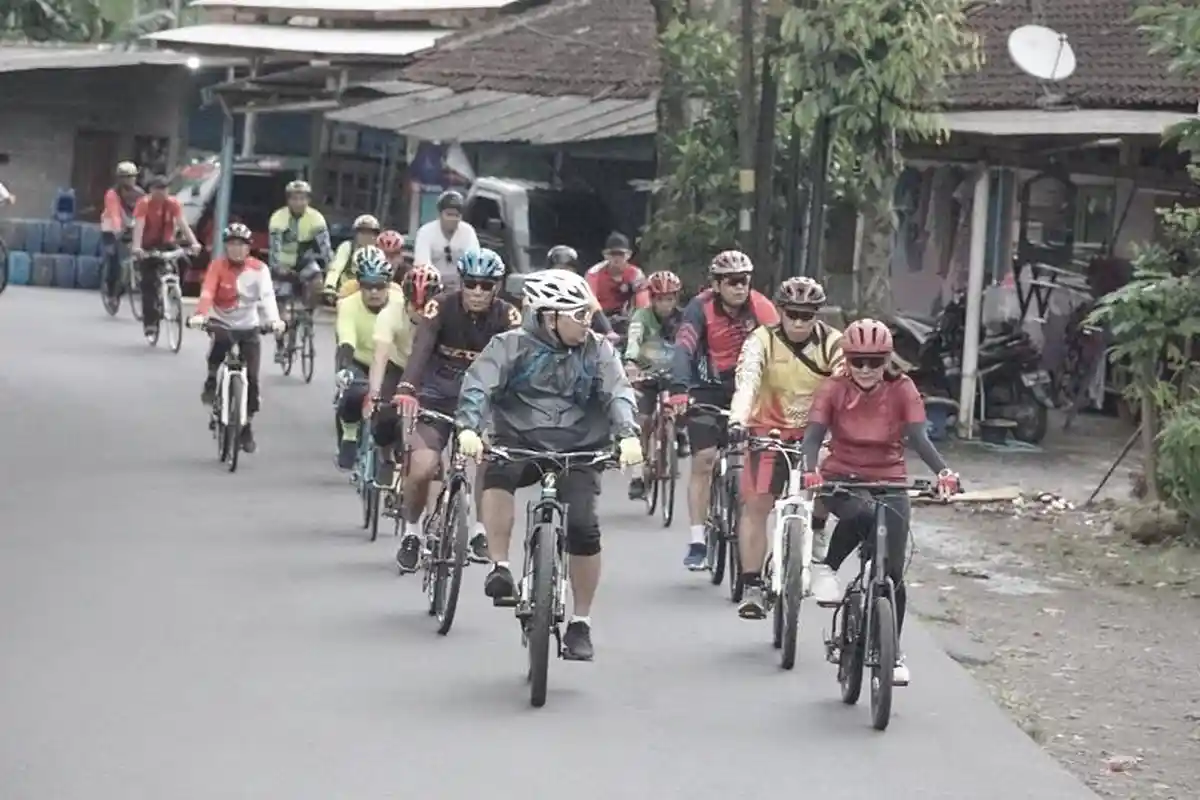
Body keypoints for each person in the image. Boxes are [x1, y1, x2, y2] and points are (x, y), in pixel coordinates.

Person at [456, 268, 643, 662]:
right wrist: (469, 428)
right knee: (496, 472)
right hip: (520, 442)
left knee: (583, 526)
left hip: (581, 448)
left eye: (587, 313)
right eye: (577, 314)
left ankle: (580, 623)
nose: (586, 321)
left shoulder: (598, 349)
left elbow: (618, 391)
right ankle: (500, 566)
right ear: (548, 316)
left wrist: (628, 434)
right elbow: (479, 384)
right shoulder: (508, 346)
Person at [800, 318, 960, 686]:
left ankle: (894, 649)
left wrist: (944, 472)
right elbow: (812, 439)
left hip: (890, 478)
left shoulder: (903, 388)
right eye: (858, 361)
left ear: (887, 359)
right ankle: (827, 566)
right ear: (847, 359)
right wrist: (811, 471)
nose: (867, 369)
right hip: (842, 476)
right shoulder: (833, 388)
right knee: (859, 511)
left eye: (875, 361)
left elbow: (919, 438)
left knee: (892, 575)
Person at [383, 248, 518, 571]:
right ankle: (412, 532)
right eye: (471, 283)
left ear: (497, 287)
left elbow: (517, 362)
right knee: (422, 468)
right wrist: (406, 388)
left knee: (488, 459)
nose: (477, 292)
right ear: (461, 282)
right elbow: (421, 348)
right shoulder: (439, 306)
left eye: (486, 285)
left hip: (483, 400)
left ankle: (479, 532)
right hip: (436, 395)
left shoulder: (508, 316)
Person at [726, 276, 842, 619]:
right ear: (780, 311)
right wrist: (737, 421)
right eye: (792, 313)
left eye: (807, 315)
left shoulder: (834, 344)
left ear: (817, 315)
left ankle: (818, 531)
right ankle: (751, 585)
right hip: (768, 430)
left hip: (816, 433)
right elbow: (747, 382)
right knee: (757, 503)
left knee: (829, 481)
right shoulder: (760, 340)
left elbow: (844, 385)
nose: (799, 321)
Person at [668, 249, 777, 570]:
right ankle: (698, 540)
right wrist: (678, 389)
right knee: (703, 460)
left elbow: (780, 348)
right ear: (716, 285)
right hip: (707, 389)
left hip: (749, 390)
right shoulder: (698, 308)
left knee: (754, 462)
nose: (740, 287)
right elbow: (684, 348)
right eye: (732, 282)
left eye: (744, 280)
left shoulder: (761, 307)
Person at [187, 223, 286, 454]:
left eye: (241, 245)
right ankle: (212, 379)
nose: (236, 249)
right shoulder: (217, 266)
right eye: (231, 244)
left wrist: (275, 321)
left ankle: (247, 425)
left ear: (249, 248)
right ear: (226, 247)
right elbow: (207, 293)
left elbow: (268, 297)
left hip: (249, 326)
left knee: (251, 378)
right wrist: (200, 315)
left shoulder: (259, 269)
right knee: (219, 344)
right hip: (222, 322)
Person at [368, 264, 442, 482]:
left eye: (425, 306)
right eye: (413, 306)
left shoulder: (443, 313)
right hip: (397, 365)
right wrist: (374, 394)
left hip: (428, 369)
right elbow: (380, 356)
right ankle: (385, 457)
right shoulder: (391, 312)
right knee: (385, 415)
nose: (419, 313)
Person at [333, 246, 403, 470]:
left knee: (395, 409)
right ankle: (350, 435)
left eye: (380, 286)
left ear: (389, 285)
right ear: (359, 285)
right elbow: (346, 339)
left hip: (391, 363)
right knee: (352, 390)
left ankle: (390, 451)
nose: (374, 292)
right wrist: (344, 368)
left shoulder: (399, 302)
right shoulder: (348, 304)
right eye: (368, 286)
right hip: (359, 359)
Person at [624, 269, 686, 501]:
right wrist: (631, 363)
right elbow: (634, 340)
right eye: (660, 299)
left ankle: (678, 433)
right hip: (645, 374)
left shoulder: (685, 319)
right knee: (643, 422)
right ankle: (638, 474)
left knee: (684, 403)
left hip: (674, 374)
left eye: (670, 299)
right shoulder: (641, 317)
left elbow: (693, 344)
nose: (665, 304)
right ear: (652, 298)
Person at [130, 175, 202, 342]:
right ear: (151, 190)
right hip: (147, 245)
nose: (162, 192)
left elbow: (182, 224)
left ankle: (173, 294)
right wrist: (137, 247)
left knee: (185, 260)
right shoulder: (144, 204)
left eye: (164, 189)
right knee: (148, 284)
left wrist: (194, 243)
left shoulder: (173, 203)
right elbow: (139, 226)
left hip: (166, 243)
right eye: (158, 189)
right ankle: (150, 324)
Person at [268, 179, 332, 358]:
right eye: (294, 199)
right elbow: (275, 248)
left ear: (308, 200)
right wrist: (277, 267)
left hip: (304, 261)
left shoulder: (316, 218)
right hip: (283, 264)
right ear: (288, 200)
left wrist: (332, 268)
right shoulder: (278, 218)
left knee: (317, 280)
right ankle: (280, 344)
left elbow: (325, 248)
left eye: (302, 198)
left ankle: (308, 313)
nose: (298, 202)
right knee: (280, 311)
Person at [411, 190, 479, 289]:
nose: (453, 219)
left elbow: (474, 261)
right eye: (449, 214)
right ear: (440, 214)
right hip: (431, 285)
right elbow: (421, 263)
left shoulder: (468, 231)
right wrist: (437, 281)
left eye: (456, 216)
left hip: (461, 285)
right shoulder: (425, 231)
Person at [585, 232, 649, 336]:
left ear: (628, 255)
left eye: (621, 254)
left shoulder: (636, 274)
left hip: (625, 320)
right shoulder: (594, 274)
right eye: (613, 254)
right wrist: (608, 330)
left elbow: (643, 303)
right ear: (605, 255)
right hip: (599, 319)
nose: (617, 258)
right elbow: (591, 304)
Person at [100, 162, 142, 296]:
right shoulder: (112, 194)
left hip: (131, 225)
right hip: (111, 228)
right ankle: (111, 289)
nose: (131, 179)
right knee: (115, 259)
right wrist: (118, 229)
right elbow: (114, 213)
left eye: (132, 176)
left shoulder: (139, 193)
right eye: (127, 177)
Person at [325, 214, 381, 300]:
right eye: (362, 233)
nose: (366, 237)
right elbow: (336, 267)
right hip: (345, 293)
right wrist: (330, 286)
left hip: (370, 294)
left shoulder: (379, 253)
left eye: (370, 233)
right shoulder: (347, 247)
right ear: (355, 234)